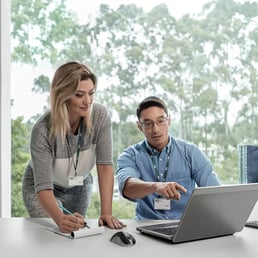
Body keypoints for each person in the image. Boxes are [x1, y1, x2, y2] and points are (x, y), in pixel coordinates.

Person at [22, 61, 125, 233]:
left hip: (79, 184)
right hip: (42, 188)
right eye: (79, 95)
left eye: (91, 93)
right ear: (63, 95)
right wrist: (60, 218)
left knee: (74, 234)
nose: (88, 101)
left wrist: (106, 213)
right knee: (54, 235)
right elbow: (44, 187)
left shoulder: (100, 116)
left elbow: (105, 165)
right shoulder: (42, 130)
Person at [116, 96, 220, 220]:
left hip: (183, 224)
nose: (155, 129)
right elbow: (127, 187)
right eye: (148, 124)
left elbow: (215, 193)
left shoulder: (190, 152)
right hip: (145, 225)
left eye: (160, 121)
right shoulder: (130, 155)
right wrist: (156, 187)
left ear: (169, 120)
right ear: (139, 126)